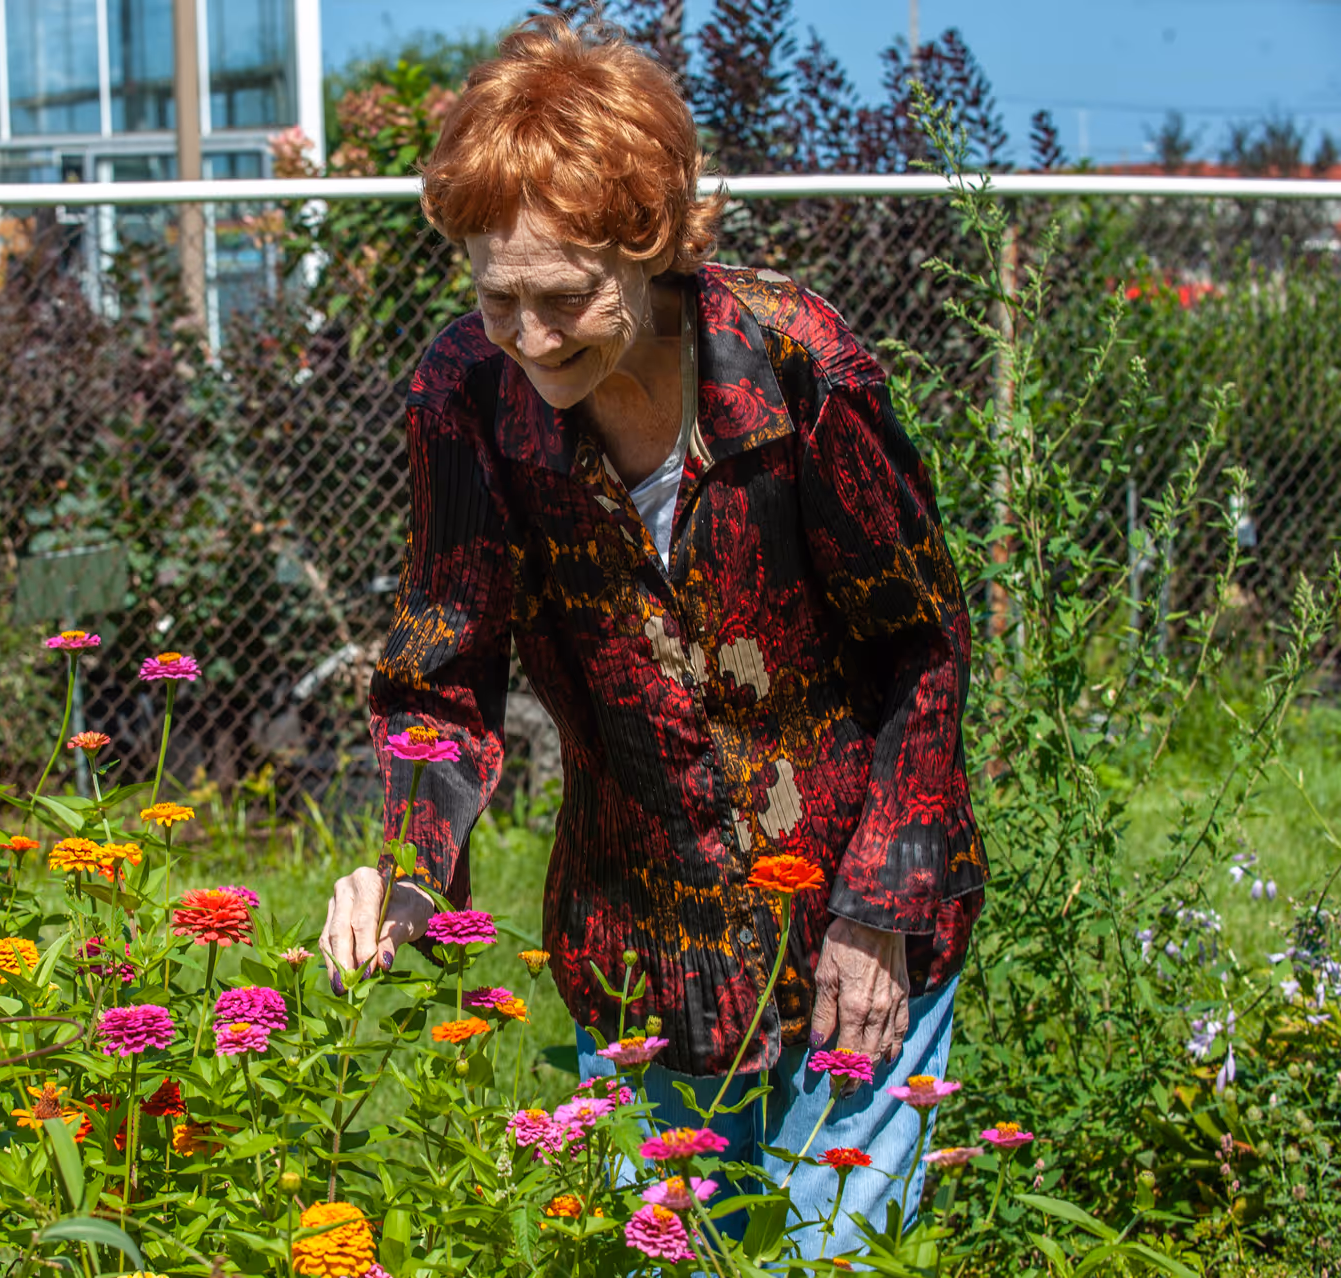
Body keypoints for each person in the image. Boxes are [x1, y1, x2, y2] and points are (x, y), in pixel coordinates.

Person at [315, 14, 988, 1256]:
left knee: (831, 1257)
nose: (528, 338)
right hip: (640, 955)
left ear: (656, 244)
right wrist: (411, 874)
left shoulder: (800, 368)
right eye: (496, 297)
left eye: (564, 299)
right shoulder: (463, 395)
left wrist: (880, 907)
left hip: (852, 928)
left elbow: (922, 649)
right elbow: (438, 686)